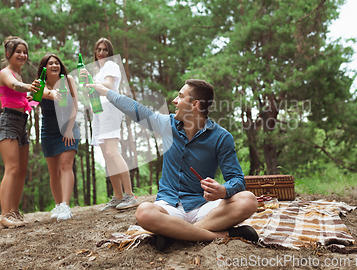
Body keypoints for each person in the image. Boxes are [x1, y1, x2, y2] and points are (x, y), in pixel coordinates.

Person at [87, 79, 258, 251]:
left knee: (248, 200)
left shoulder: (221, 137)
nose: (174, 101)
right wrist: (105, 91)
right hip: (169, 208)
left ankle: (176, 234)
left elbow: (237, 179)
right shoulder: (167, 125)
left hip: (203, 208)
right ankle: (219, 235)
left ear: (195, 104)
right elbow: (136, 109)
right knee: (144, 212)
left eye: (180, 96)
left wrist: (223, 190)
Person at [80, 38, 139, 211]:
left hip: (111, 111)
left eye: (105, 50)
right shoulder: (100, 70)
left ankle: (130, 195)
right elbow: (95, 89)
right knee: (106, 155)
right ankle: (118, 196)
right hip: (99, 112)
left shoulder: (111, 66)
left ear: (110, 52)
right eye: (98, 49)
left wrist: (93, 82)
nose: (101, 52)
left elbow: (109, 85)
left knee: (113, 152)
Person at [0, 36, 40, 229]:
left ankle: (14, 211)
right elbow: (13, 85)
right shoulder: (6, 72)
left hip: (21, 123)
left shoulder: (18, 76)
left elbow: (0, 100)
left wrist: (25, 96)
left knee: (21, 171)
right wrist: (27, 87)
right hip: (8, 124)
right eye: (18, 51)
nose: (22, 55)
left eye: (24, 51)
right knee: (11, 169)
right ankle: (4, 215)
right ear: (8, 54)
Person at [37, 54, 80, 221]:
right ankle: (57, 205)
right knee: (53, 172)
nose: (54, 65)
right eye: (50, 63)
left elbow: (75, 105)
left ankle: (65, 205)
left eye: (57, 63)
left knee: (65, 166)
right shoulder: (40, 84)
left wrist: (69, 129)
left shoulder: (68, 80)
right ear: (44, 68)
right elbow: (36, 99)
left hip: (68, 127)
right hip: (48, 129)